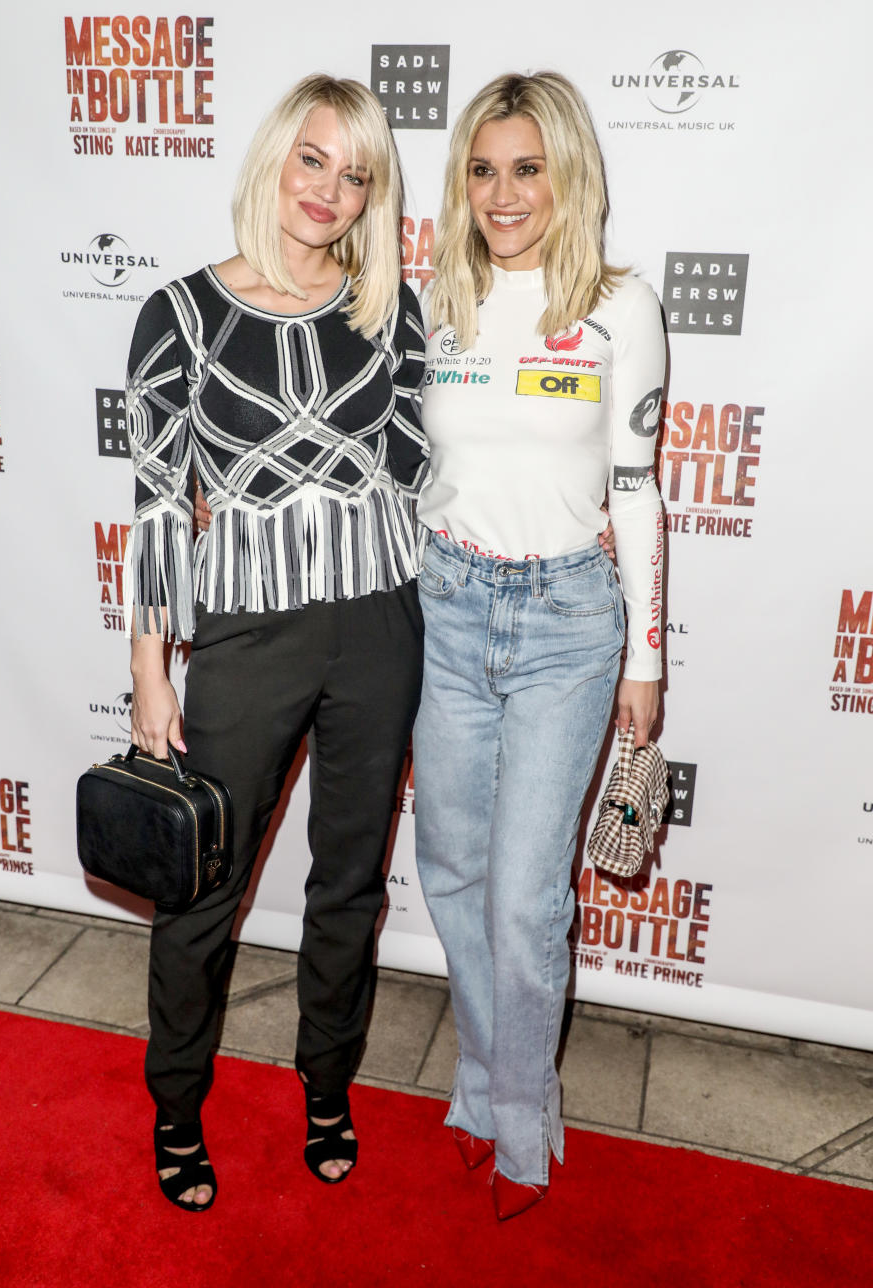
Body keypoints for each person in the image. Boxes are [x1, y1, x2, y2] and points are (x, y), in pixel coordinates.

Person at [124, 74, 428, 1207]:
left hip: (379, 627)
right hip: (245, 637)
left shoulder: (389, 309)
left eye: (356, 175)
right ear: (275, 160)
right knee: (201, 885)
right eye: (314, 160)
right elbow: (158, 504)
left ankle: (329, 1084)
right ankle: (175, 1103)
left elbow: (421, 473)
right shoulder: (181, 314)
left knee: (348, 880)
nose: (330, 190)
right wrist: (151, 671)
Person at [412, 71, 666, 1221]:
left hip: (567, 621)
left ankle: (522, 1123)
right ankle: (478, 1083)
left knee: (523, 896)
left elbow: (642, 493)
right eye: (481, 168)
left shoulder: (622, 303)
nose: (503, 193)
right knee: (454, 872)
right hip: (449, 607)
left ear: (568, 173)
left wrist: (647, 662)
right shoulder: (436, 302)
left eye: (527, 167)